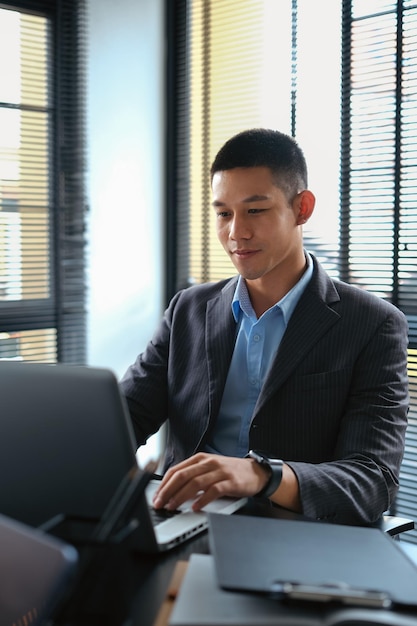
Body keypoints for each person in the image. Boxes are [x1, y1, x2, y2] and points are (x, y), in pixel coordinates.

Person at [120, 128, 409, 526]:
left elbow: (372, 481)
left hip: (294, 534)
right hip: (183, 523)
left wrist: (262, 475)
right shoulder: (188, 309)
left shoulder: (373, 325)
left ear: (302, 208)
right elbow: (123, 418)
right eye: (224, 213)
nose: (236, 232)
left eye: (255, 210)